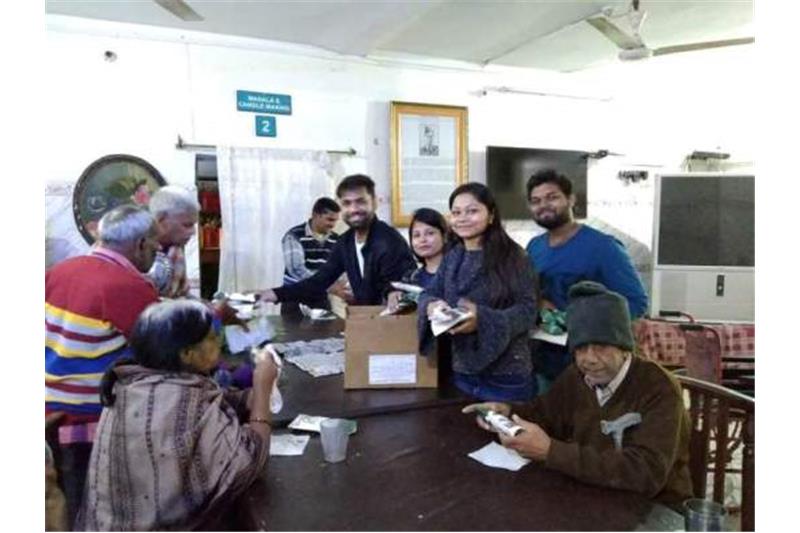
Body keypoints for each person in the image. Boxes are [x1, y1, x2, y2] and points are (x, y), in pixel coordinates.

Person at [463, 281, 691, 508]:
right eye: (581, 348)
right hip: (592, 493)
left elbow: (646, 473)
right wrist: (508, 412)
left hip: (653, 509)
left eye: (601, 346)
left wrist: (552, 452)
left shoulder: (659, 388)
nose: (589, 359)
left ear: (624, 348)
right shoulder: (577, 376)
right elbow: (544, 413)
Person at [75, 300, 279, 530]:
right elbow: (251, 462)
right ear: (187, 353)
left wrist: (247, 398)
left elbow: (216, 400)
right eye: (212, 338)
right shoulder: (180, 400)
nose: (219, 343)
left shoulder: (134, 384)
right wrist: (262, 389)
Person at [45, 205, 161, 523]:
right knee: (91, 510)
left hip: (49, 413)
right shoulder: (127, 285)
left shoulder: (60, 270)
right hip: (89, 422)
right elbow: (164, 348)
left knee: (60, 507)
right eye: (154, 245)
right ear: (139, 244)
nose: (157, 252)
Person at [525, 169, 648, 390]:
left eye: (552, 197)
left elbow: (636, 303)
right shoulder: (534, 247)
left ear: (571, 199)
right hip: (545, 361)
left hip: (592, 365)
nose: (543, 205)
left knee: (587, 423)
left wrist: (581, 321)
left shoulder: (603, 247)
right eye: (536, 201)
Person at [418, 183, 538, 401]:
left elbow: (528, 311)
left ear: (491, 215)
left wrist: (481, 319)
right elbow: (429, 292)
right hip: (463, 372)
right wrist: (432, 305)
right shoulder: (453, 256)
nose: (462, 218)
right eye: (456, 212)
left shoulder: (515, 257)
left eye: (472, 211)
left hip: (507, 375)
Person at [260, 174, 417, 307]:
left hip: (392, 327)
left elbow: (404, 288)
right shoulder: (345, 242)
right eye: (347, 203)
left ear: (375, 202)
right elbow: (320, 281)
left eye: (360, 201)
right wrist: (274, 294)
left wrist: (393, 293)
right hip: (364, 322)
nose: (354, 209)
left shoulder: (389, 241)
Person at [281, 197, 345, 313]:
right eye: (330, 220)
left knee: (326, 330)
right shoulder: (294, 236)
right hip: (294, 298)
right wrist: (327, 285)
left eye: (336, 221)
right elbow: (296, 270)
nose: (333, 225)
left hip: (320, 299)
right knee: (291, 331)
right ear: (315, 215)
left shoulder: (337, 239)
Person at [386, 207, 449, 312]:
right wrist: (393, 293)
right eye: (416, 235)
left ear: (445, 236)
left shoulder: (457, 273)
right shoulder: (410, 278)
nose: (422, 240)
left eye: (430, 233)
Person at [147, 184, 199, 298]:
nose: (193, 232)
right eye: (187, 225)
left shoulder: (175, 250)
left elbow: (181, 296)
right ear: (161, 219)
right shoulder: (138, 252)